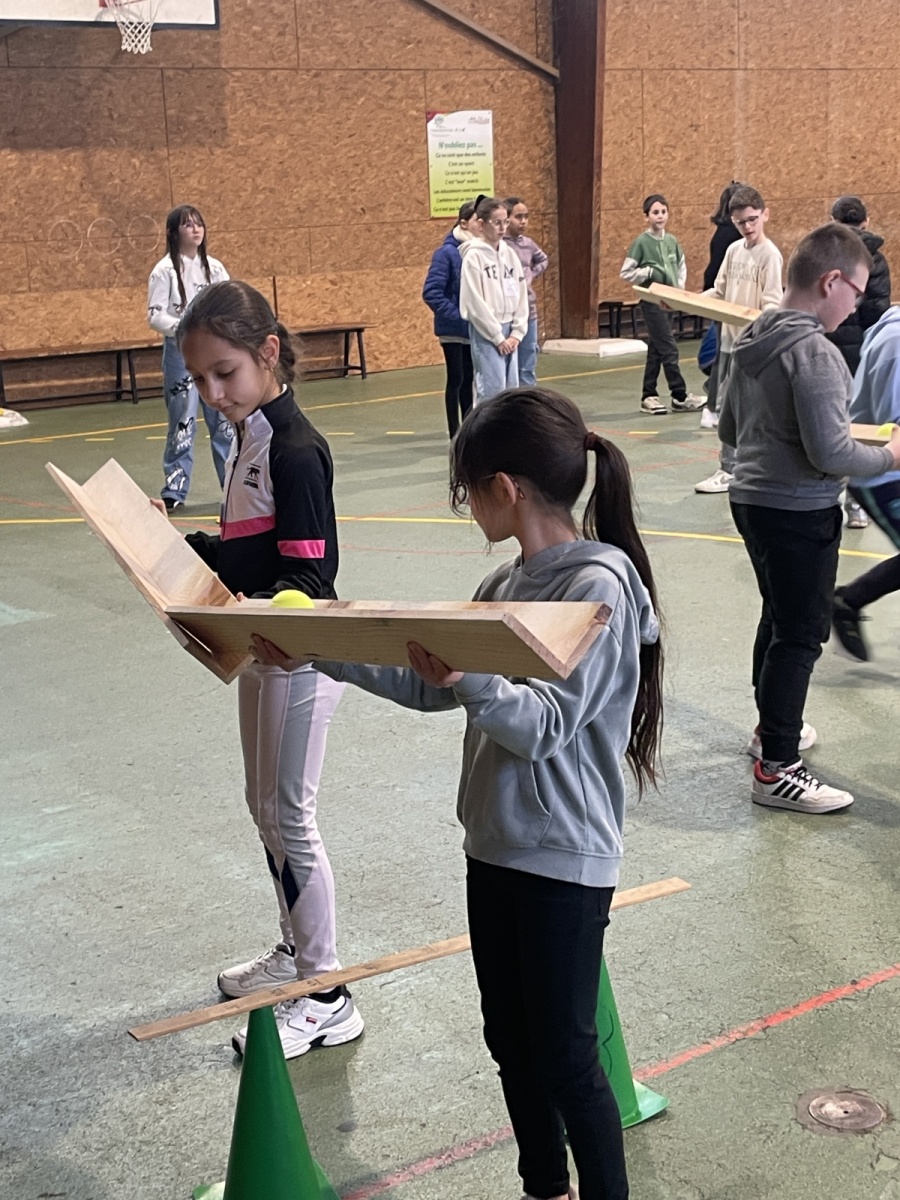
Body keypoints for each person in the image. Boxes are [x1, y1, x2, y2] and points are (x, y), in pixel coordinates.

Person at [256, 388, 663, 1200]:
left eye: (467, 490)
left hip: (564, 856)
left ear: (504, 489)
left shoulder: (600, 589)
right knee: (510, 1040)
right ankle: (544, 1186)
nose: (465, 505)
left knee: (568, 1057)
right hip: (494, 845)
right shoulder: (504, 582)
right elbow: (428, 682)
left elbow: (546, 725)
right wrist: (316, 649)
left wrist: (470, 677)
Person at [165, 280, 364, 1059]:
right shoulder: (249, 436)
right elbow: (253, 554)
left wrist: (252, 606)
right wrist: (180, 547)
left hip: (298, 659)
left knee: (290, 817)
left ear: (268, 353)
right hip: (258, 647)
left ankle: (327, 993)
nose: (213, 394)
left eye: (225, 373)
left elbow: (308, 579)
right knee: (264, 808)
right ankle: (294, 951)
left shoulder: (295, 448)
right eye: (199, 379)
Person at [718, 224, 900, 814]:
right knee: (800, 633)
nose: (857, 307)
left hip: (750, 499)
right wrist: (891, 456)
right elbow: (832, 454)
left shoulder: (755, 336)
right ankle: (778, 768)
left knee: (777, 616)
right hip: (798, 510)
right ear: (831, 281)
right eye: (857, 292)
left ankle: (771, 731)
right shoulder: (815, 352)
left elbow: (728, 427)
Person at [695, 186, 783, 493]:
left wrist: (756, 332)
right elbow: (719, 292)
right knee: (728, 408)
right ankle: (733, 466)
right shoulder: (734, 250)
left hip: (752, 346)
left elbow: (772, 304)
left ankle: (732, 468)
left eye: (752, 219)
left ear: (765, 214)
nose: (747, 227)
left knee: (745, 409)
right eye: (740, 222)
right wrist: (686, 300)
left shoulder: (770, 255)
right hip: (728, 342)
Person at [147, 205, 233, 510]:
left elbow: (229, 302)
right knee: (183, 420)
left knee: (223, 418)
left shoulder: (215, 268)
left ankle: (232, 486)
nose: (196, 230)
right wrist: (187, 327)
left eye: (199, 224)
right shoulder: (164, 271)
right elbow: (155, 316)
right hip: (180, 351)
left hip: (215, 350)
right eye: (188, 225)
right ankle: (175, 488)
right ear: (174, 232)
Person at [831, 305, 900, 662]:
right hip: (885, 475)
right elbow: (895, 427)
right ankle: (847, 600)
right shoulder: (897, 342)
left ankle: (848, 600)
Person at [826, 195, 893, 530]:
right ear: (866, 222)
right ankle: (856, 505)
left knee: (828, 424)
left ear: (833, 222)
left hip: (827, 350)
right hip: (862, 354)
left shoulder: (825, 255)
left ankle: (829, 497)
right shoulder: (876, 260)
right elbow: (878, 312)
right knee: (860, 429)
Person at [619, 193, 704, 415]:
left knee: (656, 349)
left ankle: (648, 395)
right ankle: (679, 395)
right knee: (669, 348)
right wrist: (646, 272)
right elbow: (626, 272)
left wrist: (679, 289)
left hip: (669, 302)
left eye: (663, 212)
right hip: (652, 302)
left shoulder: (672, 241)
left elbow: (681, 266)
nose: (660, 216)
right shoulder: (641, 242)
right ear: (646, 217)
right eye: (655, 212)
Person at [459, 196, 529, 404]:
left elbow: (521, 292)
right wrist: (497, 337)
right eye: (496, 222)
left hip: (511, 331)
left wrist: (517, 332)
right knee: (492, 391)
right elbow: (474, 302)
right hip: (488, 332)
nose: (502, 228)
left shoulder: (510, 254)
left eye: (505, 222)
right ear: (481, 225)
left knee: (511, 391)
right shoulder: (473, 256)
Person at [422, 199, 476, 438]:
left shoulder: (479, 251)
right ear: (463, 223)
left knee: (469, 379)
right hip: (453, 329)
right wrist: (458, 316)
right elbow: (431, 292)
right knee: (456, 378)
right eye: (477, 220)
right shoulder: (446, 253)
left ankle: (469, 428)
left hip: (474, 329)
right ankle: (454, 431)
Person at [698, 182, 744, 430]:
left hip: (728, 299)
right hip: (724, 300)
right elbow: (720, 276)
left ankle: (720, 399)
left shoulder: (728, 232)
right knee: (723, 354)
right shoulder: (730, 235)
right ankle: (712, 406)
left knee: (729, 354)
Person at [503, 196, 549, 387]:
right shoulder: (501, 245)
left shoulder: (528, 244)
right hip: (507, 312)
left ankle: (528, 397)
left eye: (526, 217)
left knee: (527, 361)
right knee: (506, 362)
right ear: (506, 219)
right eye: (518, 217)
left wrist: (531, 274)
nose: (523, 221)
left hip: (528, 309)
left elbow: (543, 260)